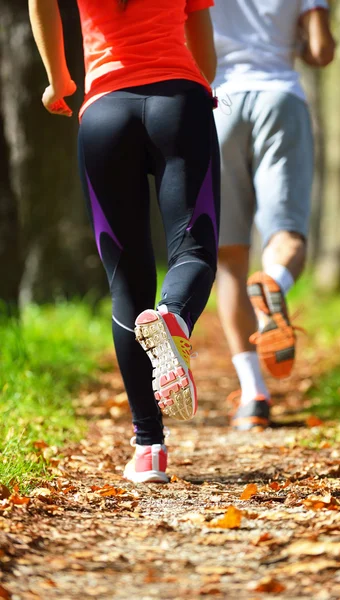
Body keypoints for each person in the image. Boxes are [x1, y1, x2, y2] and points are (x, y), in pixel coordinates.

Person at [28, 0, 220, 482]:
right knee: (192, 248)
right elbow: (198, 18)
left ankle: (149, 448)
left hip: (104, 113)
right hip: (180, 104)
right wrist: (203, 79)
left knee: (126, 280)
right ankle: (174, 316)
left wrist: (59, 79)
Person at [211, 0, 335, 430]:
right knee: (287, 235)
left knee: (229, 258)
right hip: (281, 97)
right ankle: (274, 286)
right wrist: (299, 39)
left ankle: (253, 397)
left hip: (219, 104)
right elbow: (321, 51)